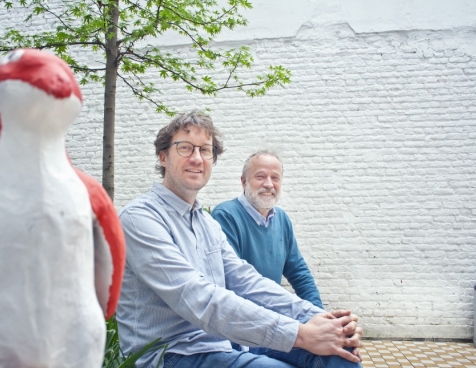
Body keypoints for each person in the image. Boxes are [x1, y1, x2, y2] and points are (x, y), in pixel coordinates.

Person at [116, 110, 363, 368]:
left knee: (341, 353)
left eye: (205, 150)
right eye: (185, 147)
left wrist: (328, 322)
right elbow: (200, 299)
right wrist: (300, 335)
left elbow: (247, 281)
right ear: (163, 156)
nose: (197, 158)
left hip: (221, 343)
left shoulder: (207, 223)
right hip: (172, 355)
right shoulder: (139, 219)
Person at [211, 150, 323, 308]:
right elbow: (236, 281)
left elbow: (299, 273)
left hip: (273, 318)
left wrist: (320, 314)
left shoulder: (282, 219)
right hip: (242, 322)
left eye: (275, 178)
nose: (269, 184)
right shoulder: (225, 216)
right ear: (244, 182)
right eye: (260, 176)